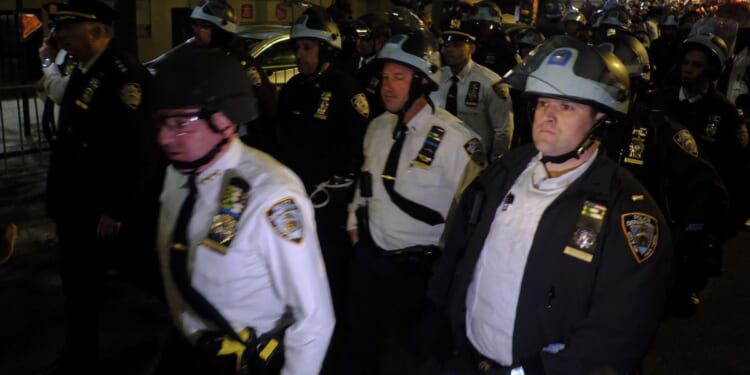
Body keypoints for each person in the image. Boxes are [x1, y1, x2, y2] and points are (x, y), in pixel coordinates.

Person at [425, 35, 673, 374]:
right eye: (543, 103)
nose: (548, 116)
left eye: (566, 106)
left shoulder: (625, 211)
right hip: (466, 358)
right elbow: (458, 248)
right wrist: (440, 318)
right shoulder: (504, 171)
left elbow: (620, 329)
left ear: (601, 118)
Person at [151, 47, 334, 375]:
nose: (165, 137)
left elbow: (314, 317)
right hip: (187, 347)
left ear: (223, 121)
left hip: (243, 362)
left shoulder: (272, 196)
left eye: (180, 123)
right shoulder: (177, 175)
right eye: (163, 122)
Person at [345, 29, 484, 374]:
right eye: (385, 77)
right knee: (360, 348)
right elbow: (366, 180)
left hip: (419, 275)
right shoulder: (377, 127)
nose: (386, 86)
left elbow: (472, 218)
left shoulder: (458, 142)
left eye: (399, 77)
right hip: (370, 262)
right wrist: (353, 221)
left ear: (423, 82)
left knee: (413, 359)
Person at [42, 0, 162, 372]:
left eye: (66, 27)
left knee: (140, 277)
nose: (59, 35)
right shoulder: (85, 68)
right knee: (80, 288)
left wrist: (117, 210)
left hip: (101, 211)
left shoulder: (124, 76)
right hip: (78, 205)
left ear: (95, 30)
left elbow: (138, 152)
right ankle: (80, 355)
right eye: (56, 28)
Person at [598, 31, 730, 317]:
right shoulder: (583, 127)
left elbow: (708, 188)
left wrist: (685, 239)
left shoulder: (660, 129)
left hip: (638, 253)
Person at [274, 6, 370, 328]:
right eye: (297, 48)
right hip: (295, 202)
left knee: (330, 273)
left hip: (330, 205)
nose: (300, 55)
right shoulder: (292, 89)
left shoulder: (348, 90)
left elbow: (360, 151)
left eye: (307, 48)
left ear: (326, 49)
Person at [187, 0, 275, 152]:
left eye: (203, 26)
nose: (196, 30)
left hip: (239, 147)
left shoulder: (240, 64)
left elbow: (264, 107)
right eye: (195, 24)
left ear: (219, 30)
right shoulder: (201, 59)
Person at [431, 17, 514, 160]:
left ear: (472, 48)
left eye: (456, 45)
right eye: (446, 44)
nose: (449, 50)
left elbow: (503, 129)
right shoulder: (436, 78)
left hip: (473, 161)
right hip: (439, 157)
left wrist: (495, 162)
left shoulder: (489, 82)